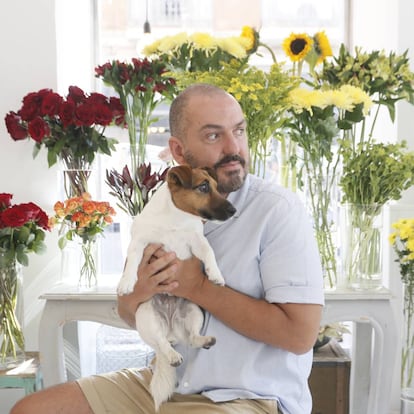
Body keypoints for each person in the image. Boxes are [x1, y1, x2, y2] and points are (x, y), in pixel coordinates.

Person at [11, 84, 324, 414]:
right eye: (214, 136)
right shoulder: (166, 205)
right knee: (32, 410)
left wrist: (198, 287)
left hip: (248, 397)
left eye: (239, 131)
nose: (234, 147)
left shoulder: (277, 211)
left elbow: (300, 335)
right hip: (165, 384)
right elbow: (129, 309)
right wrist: (140, 292)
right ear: (178, 149)